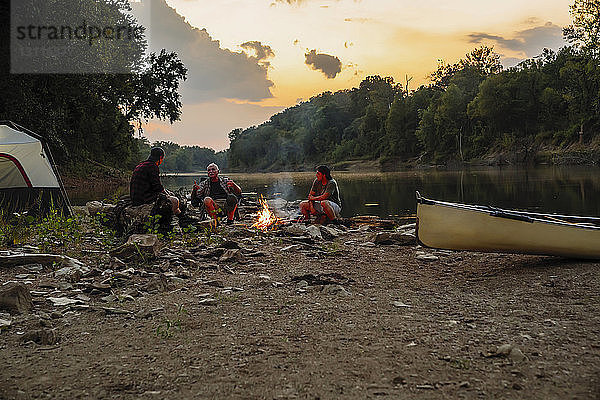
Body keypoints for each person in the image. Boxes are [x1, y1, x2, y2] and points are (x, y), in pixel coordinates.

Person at [129, 147, 181, 215]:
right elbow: (157, 187)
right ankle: (175, 220)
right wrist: (167, 194)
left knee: (168, 195)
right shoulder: (152, 166)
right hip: (143, 199)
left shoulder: (140, 165)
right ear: (160, 158)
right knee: (175, 201)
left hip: (135, 198)